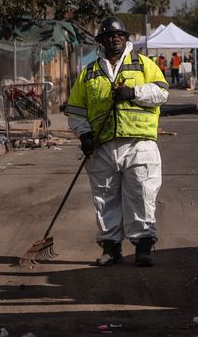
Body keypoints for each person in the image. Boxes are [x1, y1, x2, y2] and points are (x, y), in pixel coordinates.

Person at [66, 17, 168, 267]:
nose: (115, 39)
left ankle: (143, 247)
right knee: (104, 198)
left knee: (142, 195)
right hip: (102, 146)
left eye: (119, 35)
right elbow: (76, 111)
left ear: (125, 38)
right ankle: (111, 249)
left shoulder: (143, 64)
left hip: (139, 144)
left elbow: (161, 92)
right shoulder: (89, 73)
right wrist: (85, 136)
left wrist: (133, 93)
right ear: (102, 41)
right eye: (110, 36)